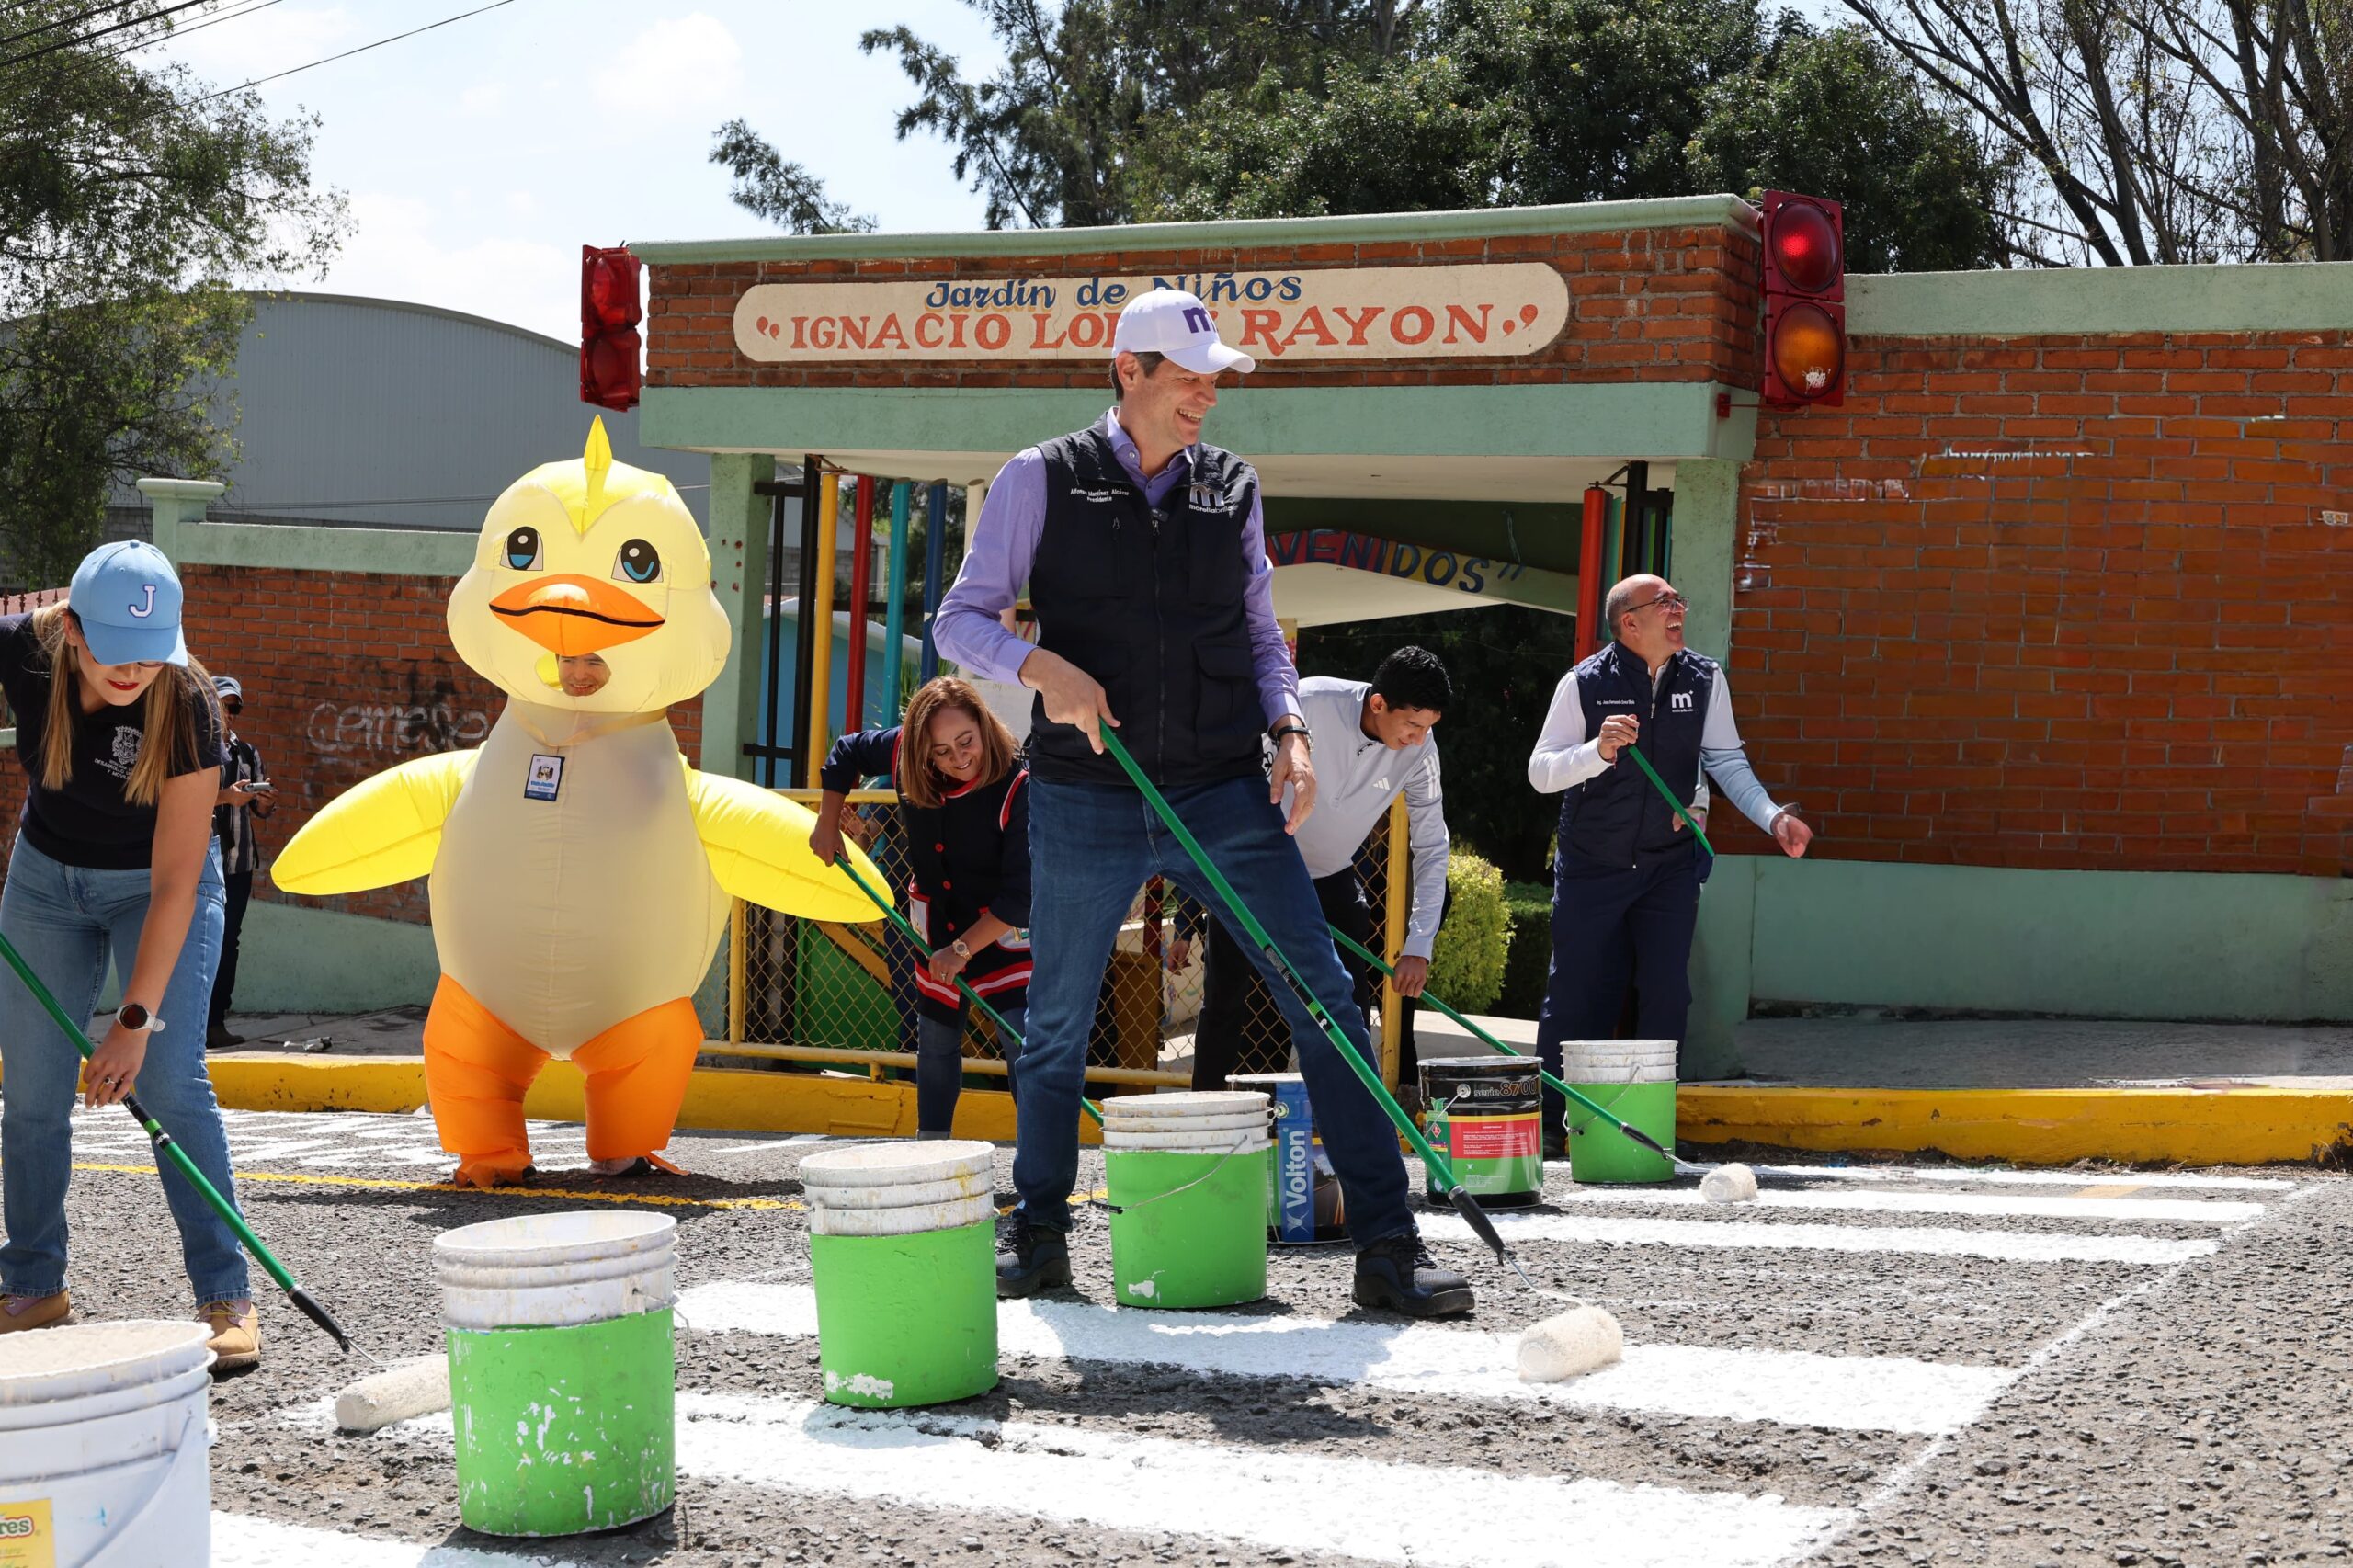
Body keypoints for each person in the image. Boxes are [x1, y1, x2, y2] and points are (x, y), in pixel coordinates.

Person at [935, 288, 1472, 1317]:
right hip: (1088, 793)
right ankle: (1038, 1233)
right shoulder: (1037, 478)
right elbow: (959, 621)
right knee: (1055, 1025)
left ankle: (1387, 1251)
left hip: (1225, 788)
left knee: (1326, 1000)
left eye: (1214, 379)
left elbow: (1264, 637)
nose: (1207, 397)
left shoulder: (1234, 486)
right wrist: (1045, 666)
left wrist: (1291, 733)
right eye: (1189, 379)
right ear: (1127, 371)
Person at [0, 541, 258, 1369]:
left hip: (156, 887)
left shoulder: (186, 704)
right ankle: (34, 1283)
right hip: (45, 882)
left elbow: (179, 880)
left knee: (171, 1083)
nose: (133, 672)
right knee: (32, 1098)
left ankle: (226, 1294)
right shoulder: (24, 650)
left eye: (151, 655)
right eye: (115, 650)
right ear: (71, 630)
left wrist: (133, 1022)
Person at [1526, 574, 1813, 1154]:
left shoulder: (1704, 678)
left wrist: (1773, 816)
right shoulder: (1582, 684)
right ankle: (1552, 1123)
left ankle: (1651, 1121)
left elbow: (1726, 760)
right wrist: (1598, 752)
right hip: (1592, 864)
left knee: (1664, 991)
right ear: (1629, 622)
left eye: (1680, 599)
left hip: (1667, 866)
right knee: (1579, 992)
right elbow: (1541, 771)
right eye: (1665, 603)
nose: (1679, 608)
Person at [1191, 647, 1453, 1102]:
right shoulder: (1307, 703)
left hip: (1330, 875)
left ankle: (1355, 1122)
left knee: (1350, 1004)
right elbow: (1233, 774)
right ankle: (1197, 1119)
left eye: (1427, 728)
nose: (1418, 738)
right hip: (1252, 868)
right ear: (1378, 704)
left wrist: (1419, 945)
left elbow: (1432, 846)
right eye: (1412, 725)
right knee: (1224, 1002)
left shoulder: (1421, 751)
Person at [809, 677, 1031, 1139]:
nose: (958, 758)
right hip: (934, 926)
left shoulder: (1019, 782)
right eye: (941, 751)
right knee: (935, 1041)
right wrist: (828, 822)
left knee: (1021, 1044)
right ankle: (931, 1148)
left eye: (965, 741)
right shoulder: (904, 753)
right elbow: (846, 752)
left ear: (983, 724)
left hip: (1000, 933)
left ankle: (1036, 1158)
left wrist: (963, 950)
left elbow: (1021, 895)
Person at [207, 676, 274, 1050]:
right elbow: (177, 799)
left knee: (228, 942)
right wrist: (224, 798)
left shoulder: (247, 754)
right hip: (201, 861)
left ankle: (216, 1022)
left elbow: (259, 808)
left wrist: (264, 804)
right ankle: (192, 1022)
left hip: (239, 863)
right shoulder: (194, 748)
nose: (229, 714)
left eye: (235, 707)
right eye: (223, 705)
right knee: (196, 942)